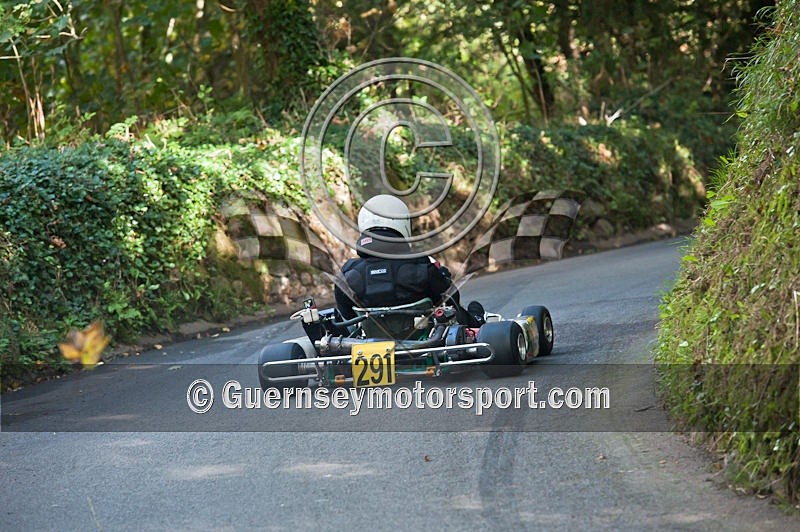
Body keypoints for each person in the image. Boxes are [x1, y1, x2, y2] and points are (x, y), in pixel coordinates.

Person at [334, 194, 485, 327]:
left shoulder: (348, 273)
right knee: (469, 311)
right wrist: (443, 277)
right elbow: (451, 300)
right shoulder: (420, 263)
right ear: (401, 223)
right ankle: (477, 321)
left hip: (369, 341)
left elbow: (347, 317)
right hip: (424, 338)